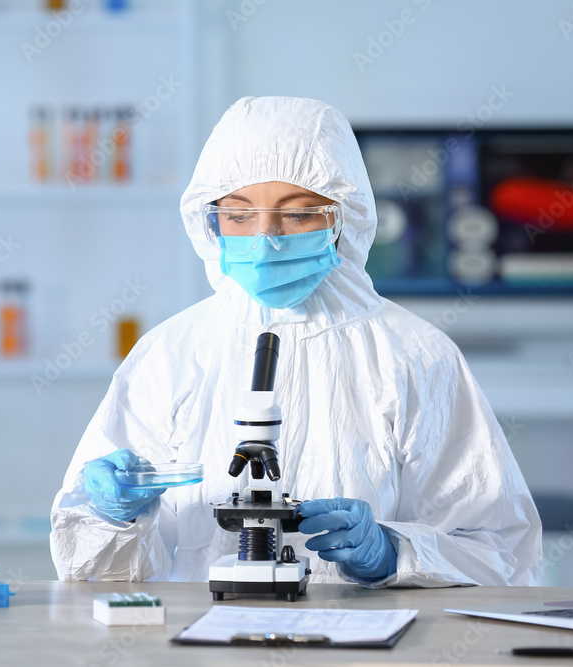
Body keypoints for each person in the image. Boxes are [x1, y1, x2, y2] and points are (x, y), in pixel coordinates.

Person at [50, 96, 542, 587]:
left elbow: (503, 553)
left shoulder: (415, 354)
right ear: (209, 221)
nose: (266, 240)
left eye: (298, 214)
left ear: (342, 219)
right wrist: (114, 515)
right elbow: (93, 573)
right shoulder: (170, 355)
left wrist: (394, 554)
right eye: (240, 216)